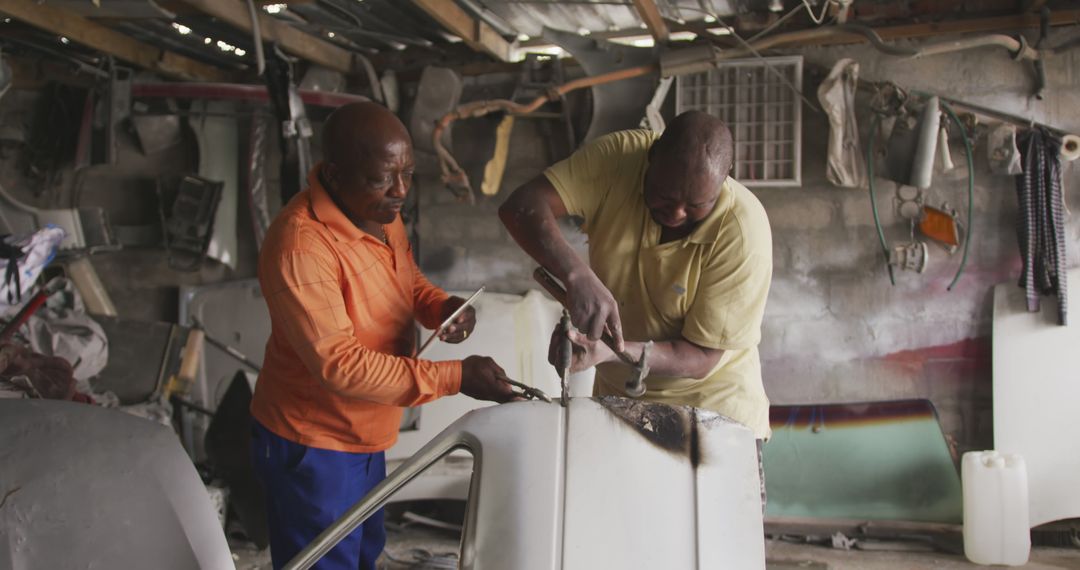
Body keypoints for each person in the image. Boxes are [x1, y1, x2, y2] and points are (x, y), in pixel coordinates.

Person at [250, 102, 516, 569]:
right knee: (325, 562)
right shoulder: (301, 245)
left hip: (367, 432)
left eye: (408, 174)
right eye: (381, 179)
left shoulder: (379, 213)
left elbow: (406, 279)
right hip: (315, 443)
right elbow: (341, 366)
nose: (399, 191)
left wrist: (440, 306)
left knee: (363, 554)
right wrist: (454, 377)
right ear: (334, 173)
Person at [499, 110, 773, 440]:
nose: (676, 213)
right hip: (620, 407)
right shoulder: (616, 162)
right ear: (651, 157)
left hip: (713, 417)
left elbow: (701, 357)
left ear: (725, 179)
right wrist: (576, 276)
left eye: (696, 205)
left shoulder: (743, 233)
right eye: (666, 196)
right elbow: (522, 206)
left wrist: (611, 351)